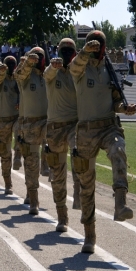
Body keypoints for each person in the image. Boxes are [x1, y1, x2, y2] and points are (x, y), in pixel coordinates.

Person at [69, 31, 136, 253]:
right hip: (86, 131)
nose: (96, 49)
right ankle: (90, 235)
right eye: (92, 44)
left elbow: (116, 101)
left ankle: (120, 203)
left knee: (119, 150)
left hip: (108, 126)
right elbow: (74, 66)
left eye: (98, 45)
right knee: (87, 185)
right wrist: (85, 51)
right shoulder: (80, 68)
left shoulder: (110, 70)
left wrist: (124, 108)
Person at [43, 38, 81, 232]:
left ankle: (78, 190)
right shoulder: (52, 72)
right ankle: (61, 216)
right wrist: (53, 66)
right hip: (55, 128)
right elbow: (47, 74)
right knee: (57, 176)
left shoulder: (78, 73)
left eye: (70, 51)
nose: (66, 54)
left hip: (75, 125)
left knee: (79, 154)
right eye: (63, 51)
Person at [14, 49, 48, 215]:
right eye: (36, 57)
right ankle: (33, 198)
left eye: (40, 58)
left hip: (48, 124)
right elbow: (18, 74)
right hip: (31, 126)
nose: (38, 60)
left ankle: (48, 166)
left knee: (54, 151)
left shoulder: (48, 75)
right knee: (31, 163)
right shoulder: (25, 77)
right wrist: (29, 62)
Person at [0, 57, 19, 195]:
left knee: (20, 133)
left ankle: (17, 155)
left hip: (16, 118)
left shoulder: (18, 79)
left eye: (12, 64)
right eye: (8, 64)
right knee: (4, 154)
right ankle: (8, 183)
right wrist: (2, 71)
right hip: (3, 121)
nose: (10, 66)